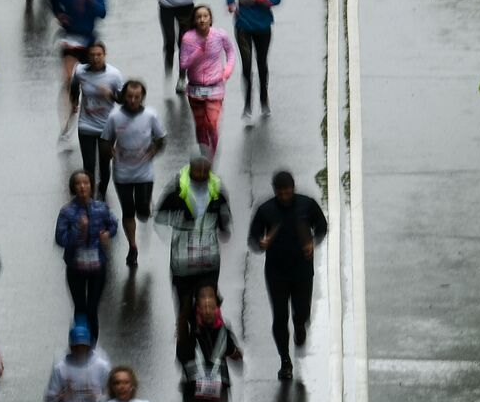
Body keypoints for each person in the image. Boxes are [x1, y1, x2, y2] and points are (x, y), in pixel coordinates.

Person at [247, 171, 327, 381]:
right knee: (280, 318)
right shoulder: (266, 210)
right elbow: (253, 238)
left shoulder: (306, 205)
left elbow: (322, 226)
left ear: (293, 188)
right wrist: (260, 243)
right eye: (280, 193)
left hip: (302, 271)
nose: (284, 196)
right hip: (276, 273)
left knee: (302, 313)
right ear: (275, 191)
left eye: (288, 192)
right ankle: (285, 361)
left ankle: (300, 325)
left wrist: (313, 242)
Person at [154, 149, 232, 330]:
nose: (202, 171)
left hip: (209, 261)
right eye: (198, 167)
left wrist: (224, 227)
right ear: (191, 167)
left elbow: (224, 216)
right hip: (182, 263)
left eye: (206, 168)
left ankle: (213, 339)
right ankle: (184, 336)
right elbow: (159, 218)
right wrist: (172, 233)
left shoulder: (217, 190)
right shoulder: (176, 190)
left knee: (208, 301)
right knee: (184, 305)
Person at [101, 81, 166, 268]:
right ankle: (132, 246)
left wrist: (155, 149)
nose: (133, 100)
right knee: (128, 210)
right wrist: (108, 151)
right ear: (124, 96)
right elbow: (105, 140)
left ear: (142, 97)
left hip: (144, 171)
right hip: (122, 172)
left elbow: (161, 138)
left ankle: (146, 207)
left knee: (142, 211)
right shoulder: (114, 117)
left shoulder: (150, 115)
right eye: (129, 96)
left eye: (137, 97)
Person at [54, 170, 118, 343]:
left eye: (86, 183)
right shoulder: (67, 212)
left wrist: (107, 234)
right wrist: (79, 230)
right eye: (78, 184)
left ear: (91, 186)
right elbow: (60, 239)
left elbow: (113, 225)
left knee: (92, 308)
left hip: (98, 268)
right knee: (80, 308)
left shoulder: (101, 208)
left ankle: (93, 346)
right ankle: (80, 343)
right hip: (76, 268)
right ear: (73, 188)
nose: (83, 187)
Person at [226, 0, 282, 119]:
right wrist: (231, 4)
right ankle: (247, 105)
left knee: (262, 64)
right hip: (243, 26)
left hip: (263, 26)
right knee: (246, 65)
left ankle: (264, 100)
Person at [176, 5, 235, 158]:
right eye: (198, 17)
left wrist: (227, 70)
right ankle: (204, 155)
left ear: (210, 19)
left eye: (205, 16)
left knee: (212, 124)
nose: (202, 20)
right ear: (194, 21)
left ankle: (211, 159)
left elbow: (231, 51)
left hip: (215, 87)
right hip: (195, 89)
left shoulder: (220, 35)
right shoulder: (188, 38)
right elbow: (183, 64)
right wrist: (198, 51)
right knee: (201, 126)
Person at [48, 0, 108, 96]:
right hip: (69, 37)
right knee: (68, 78)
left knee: (89, 81)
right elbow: (52, 1)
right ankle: (71, 105)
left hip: (89, 38)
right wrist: (59, 14)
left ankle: (87, 104)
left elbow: (102, 12)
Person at [68, 42, 124, 197]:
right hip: (86, 124)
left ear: (104, 55)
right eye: (92, 55)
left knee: (104, 165)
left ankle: (102, 191)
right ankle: (89, 196)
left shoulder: (114, 75)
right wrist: (74, 102)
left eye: (99, 55)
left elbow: (123, 100)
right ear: (88, 56)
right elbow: (73, 86)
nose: (95, 58)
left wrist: (110, 95)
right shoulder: (80, 71)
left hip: (107, 126)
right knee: (89, 165)